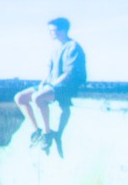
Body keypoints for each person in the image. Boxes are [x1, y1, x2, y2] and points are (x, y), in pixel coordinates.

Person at [14, 17, 87, 153]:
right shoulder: (56, 48)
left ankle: (47, 134)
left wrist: (51, 85)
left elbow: (68, 74)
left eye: (52, 30)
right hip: (53, 84)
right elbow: (49, 71)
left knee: (37, 97)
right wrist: (43, 83)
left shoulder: (73, 47)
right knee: (20, 97)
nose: (50, 33)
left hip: (67, 86)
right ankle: (37, 131)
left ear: (63, 30)